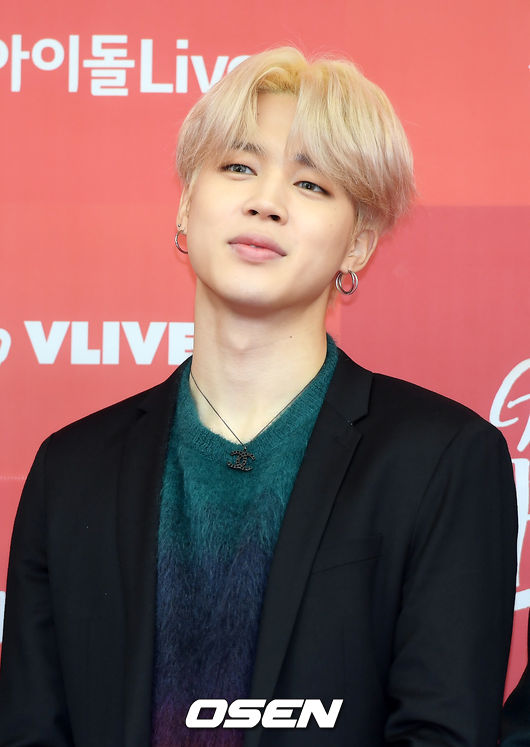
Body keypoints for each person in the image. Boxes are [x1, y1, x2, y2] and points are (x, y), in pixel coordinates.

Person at [0, 46, 517, 747]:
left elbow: (442, 730)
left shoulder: (441, 461)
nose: (265, 201)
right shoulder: (71, 469)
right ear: (186, 204)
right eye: (239, 167)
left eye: (311, 184)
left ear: (358, 245)